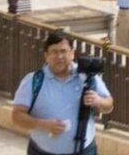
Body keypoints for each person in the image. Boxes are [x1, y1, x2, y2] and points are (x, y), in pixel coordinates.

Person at [8, 27, 115, 155]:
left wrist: (98, 101)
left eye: (64, 51)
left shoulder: (87, 77)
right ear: (46, 56)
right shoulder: (33, 80)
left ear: (72, 53)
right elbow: (17, 116)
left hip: (84, 151)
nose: (59, 56)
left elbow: (109, 105)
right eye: (54, 52)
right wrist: (43, 124)